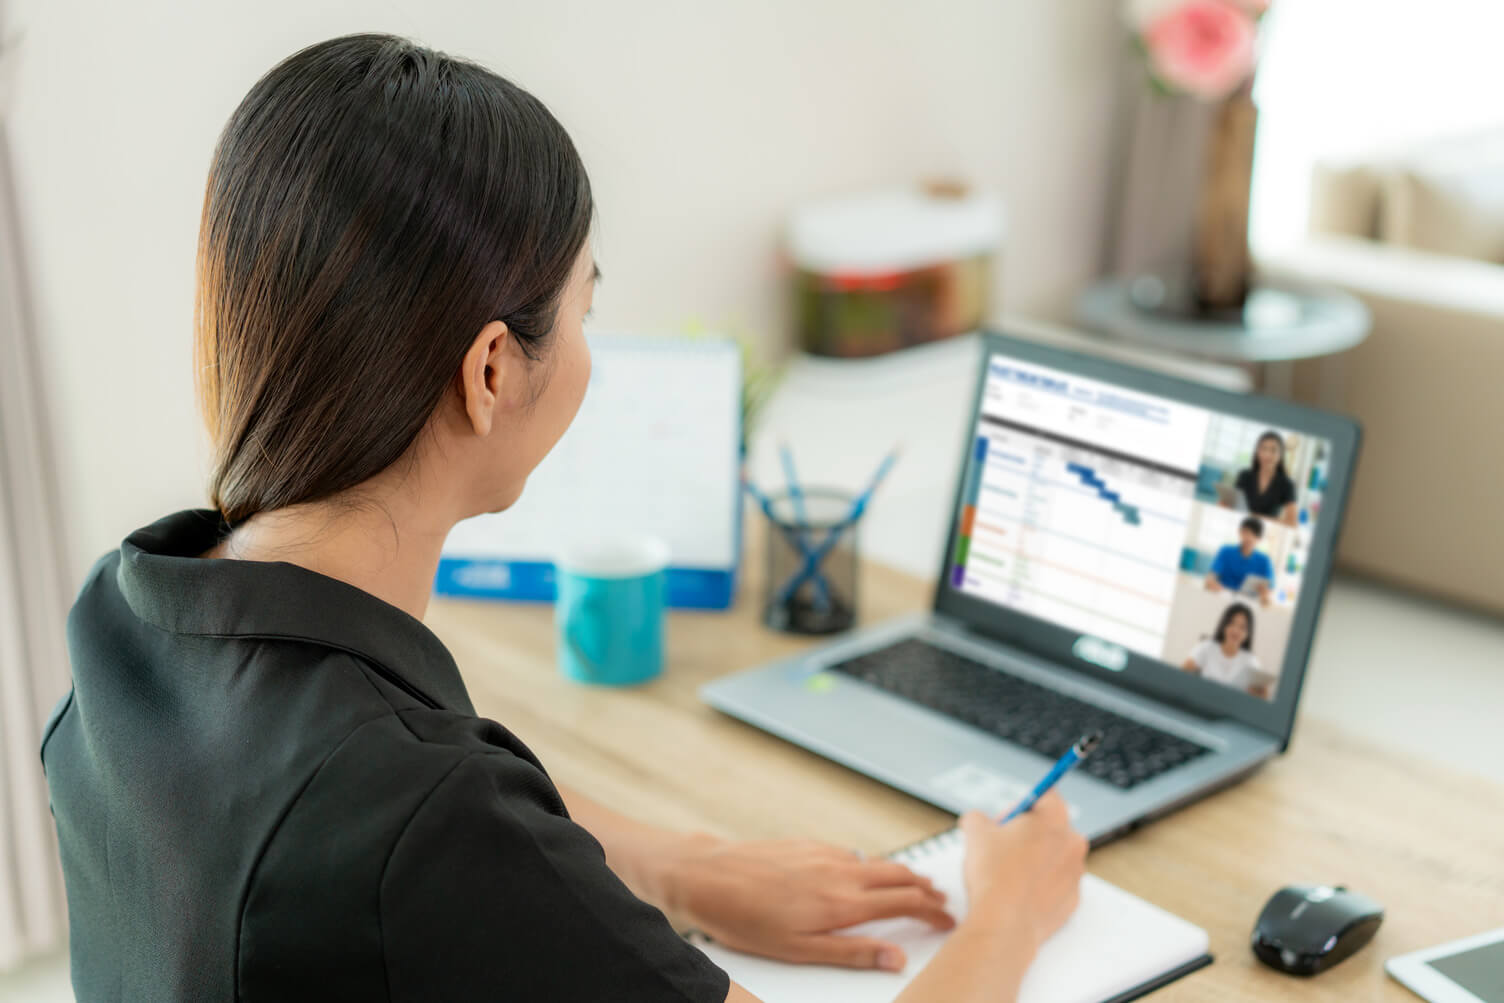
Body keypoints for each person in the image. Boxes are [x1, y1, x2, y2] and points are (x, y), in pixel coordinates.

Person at [39, 35, 1086, 1003]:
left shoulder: (131, 609)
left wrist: (684, 867)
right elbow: (434, 824)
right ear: (490, 369)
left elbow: (436, 817)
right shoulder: (420, 807)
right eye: (585, 309)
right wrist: (1007, 911)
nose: (589, 343)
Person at [1181, 603, 1273, 699]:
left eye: (1242, 627)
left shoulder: (1251, 661)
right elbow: (1183, 672)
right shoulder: (1207, 647)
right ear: (1224, 625)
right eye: (1232, 623)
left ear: (1248, 633)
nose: (1236, 630)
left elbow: (1264, 696)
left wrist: (1257, 692)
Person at [1233, 430, 1298, 526]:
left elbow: (1292, 523)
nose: (1267, 455)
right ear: (1257, 452)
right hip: (1240, 524)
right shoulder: (1244, 475)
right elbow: (1231, 504)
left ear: (1280, 455)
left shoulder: (1287, 484)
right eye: (1263, 449)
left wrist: (1255, 517)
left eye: (1273, 450)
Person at [1205, 516, 1274, 607]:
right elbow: (1210, 578)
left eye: (1254, 534)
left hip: (1248, 604)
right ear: (1239, 532)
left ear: (1259, 539)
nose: (1249, 537)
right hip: (1221, 598)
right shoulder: (1225, 551)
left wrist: (1265, 595)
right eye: (1246, 532)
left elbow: (1269, 590)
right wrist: (1211, 583)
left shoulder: (1265, 561)